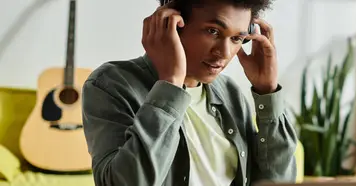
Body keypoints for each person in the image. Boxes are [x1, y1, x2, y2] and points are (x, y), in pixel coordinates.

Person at [80, 0, 297, 185]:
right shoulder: (111, 84)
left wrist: (267, 91)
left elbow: (278, 180)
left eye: (236, 39)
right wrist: (171, 84)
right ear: (170, 24)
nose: (224, 52)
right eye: (213, 31)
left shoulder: (230, 94)